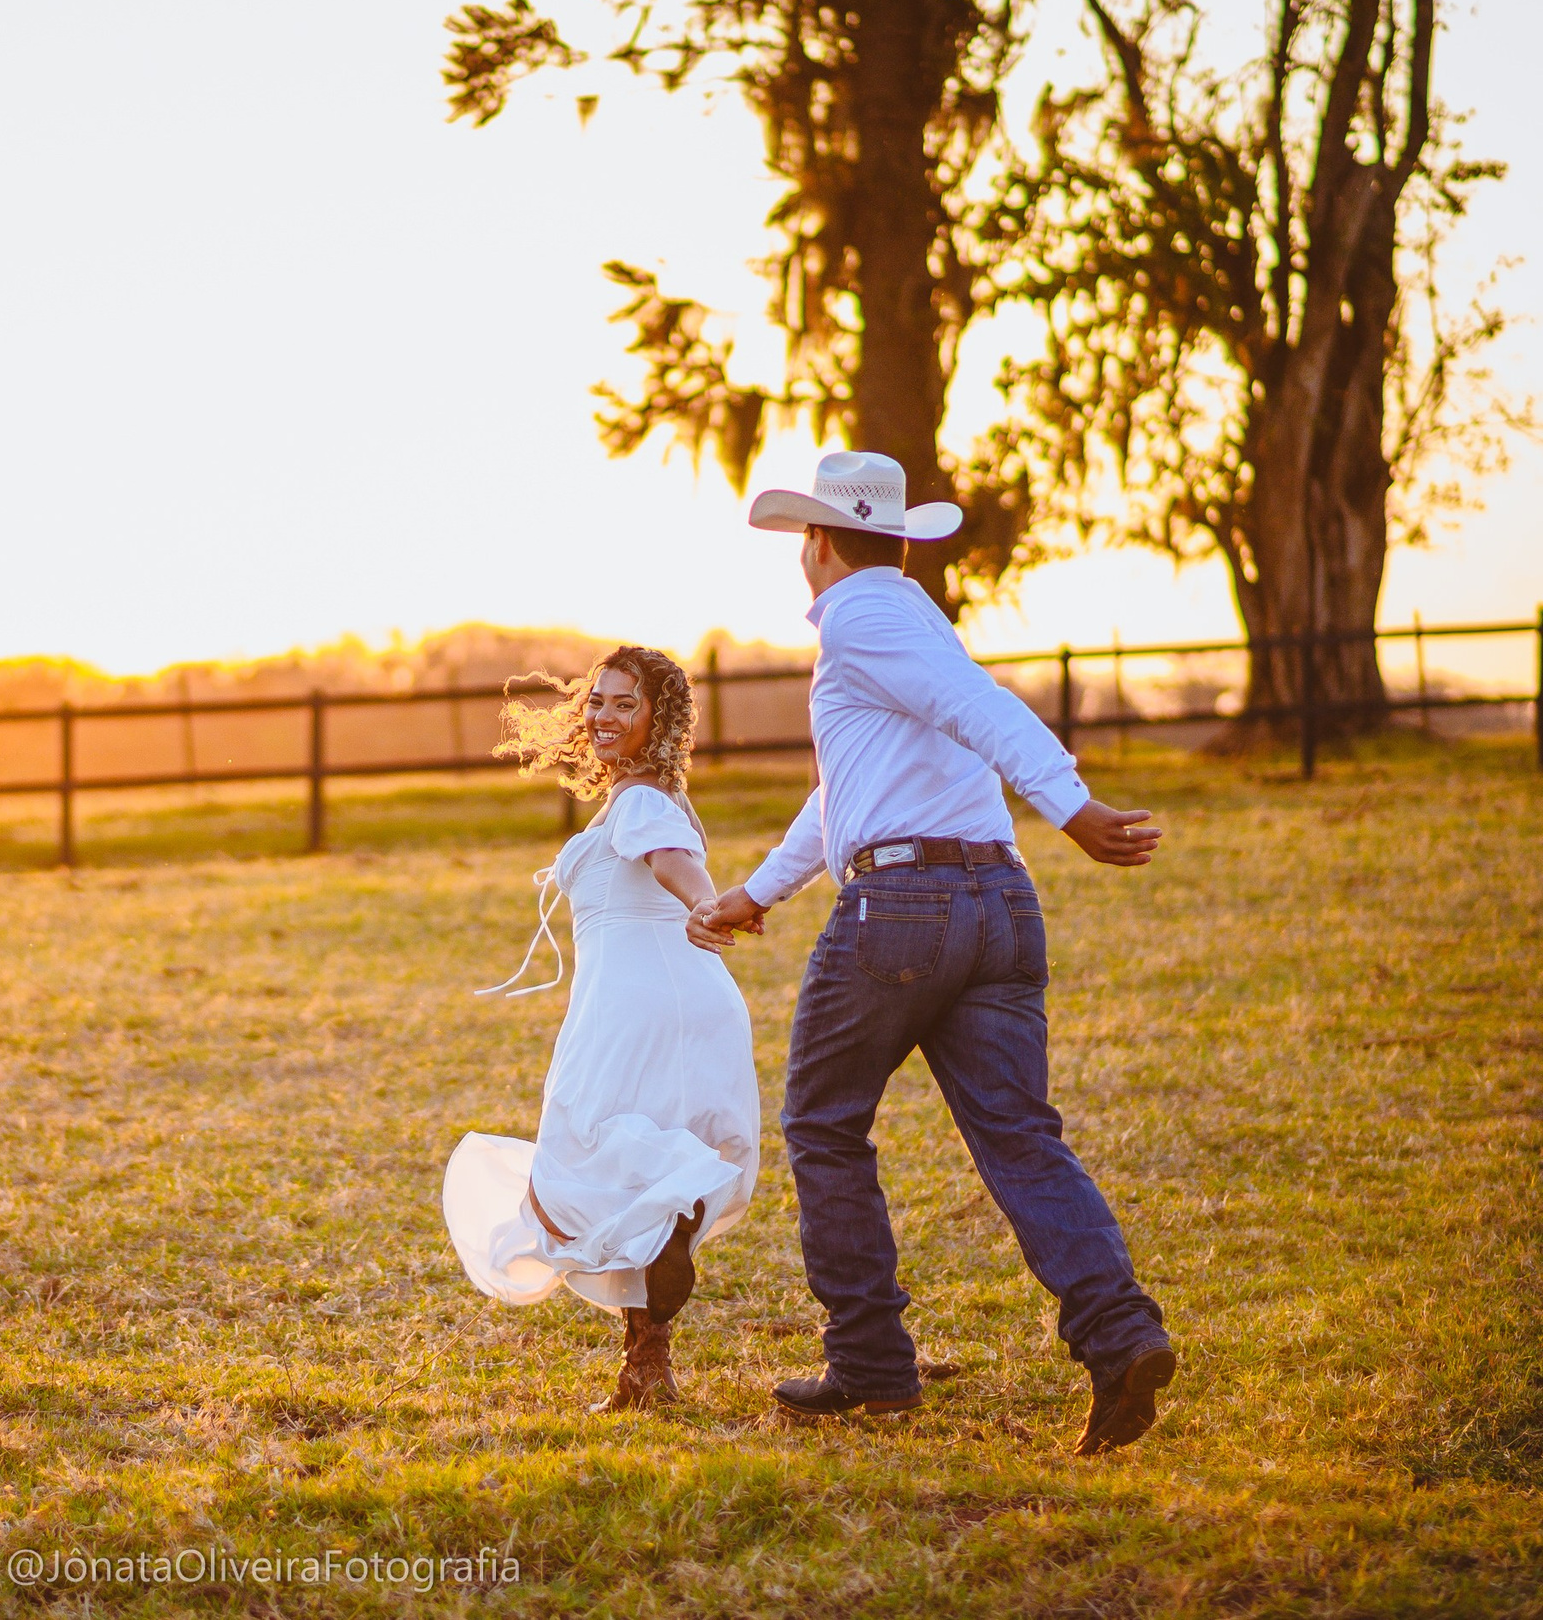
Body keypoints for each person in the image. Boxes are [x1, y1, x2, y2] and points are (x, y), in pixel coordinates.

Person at [692, 450, 1176, 1456]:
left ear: (815, 542)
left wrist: (1069, 805)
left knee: (822, 1127)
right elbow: (842, 794)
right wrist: (756, 891)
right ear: (901, 539)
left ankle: (870, 1365)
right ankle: (1120, 1333)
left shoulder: (862, 619)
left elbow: (983, 715)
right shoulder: (916, 623)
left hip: (904, 907)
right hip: (998, 903)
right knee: (1017, 1135)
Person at [443, 646, 763, 1410]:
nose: (606, 716)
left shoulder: (646, 802)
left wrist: (705, 901)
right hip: (678, 1000)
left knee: (584, 1159)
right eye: (599, 700)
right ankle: (645, 1369)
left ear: (660, 719)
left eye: (627, 704)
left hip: (637, 1006)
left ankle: (650, 1346)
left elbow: (667, 858)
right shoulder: (642, 795)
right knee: (633, 1175)